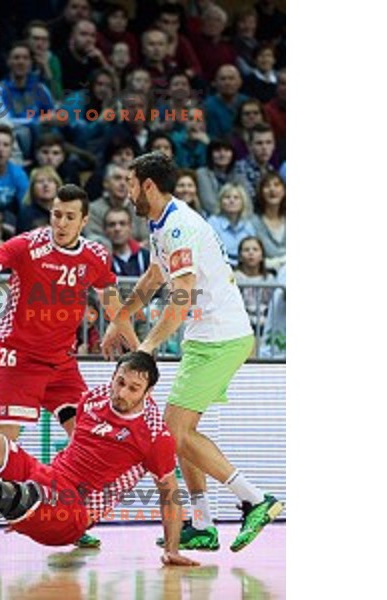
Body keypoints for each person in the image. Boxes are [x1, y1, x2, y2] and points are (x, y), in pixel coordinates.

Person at [0, 184, 139, 549]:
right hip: (17, 361)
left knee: (88, 439)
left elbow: (113, 302)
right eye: (57, 214)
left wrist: (138, 350)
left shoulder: (96, 255)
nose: (62, 222)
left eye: (70, 217)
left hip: (61, 363)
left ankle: (71, 516)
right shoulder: (29, 244)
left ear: (85, 220)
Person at [102, 152, 283, 553]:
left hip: (221, 336)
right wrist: (121, 317)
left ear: (148, 185)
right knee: (178, 434)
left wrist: (146, 347)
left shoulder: (179, 226)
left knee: (175, 432)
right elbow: (154, 277)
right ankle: (201, 524)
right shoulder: (161, 221)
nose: (126, 190)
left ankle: (256, 500)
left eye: (131, 183)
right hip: (206, 337)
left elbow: (180, 299)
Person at [0, 352, 199, 568]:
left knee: (22, 495)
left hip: (73, 510)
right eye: (119, 382)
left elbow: (168, 491)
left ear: (147, 393)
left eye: (133, 389)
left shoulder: (154, 434)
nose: (121, 392)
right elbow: (80, 444)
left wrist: (172, 549)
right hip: (49, 474)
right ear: (113, 375)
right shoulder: (93, 398)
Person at [83, 164, 148, 246]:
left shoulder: (140, 208)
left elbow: (148, 239)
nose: (123, 183)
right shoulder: (92, 210)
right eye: (117, 178)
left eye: (127, 180)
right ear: (105, 183)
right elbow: (96, 243)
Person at [0, 42, 55, 127]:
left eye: (25, 58)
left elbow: (51, 115)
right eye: (16, 58)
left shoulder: (40, 88)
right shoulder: (0, 90)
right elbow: (5, 121)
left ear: (31, 63)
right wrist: (37, 121)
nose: (21, 62)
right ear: (8, 62)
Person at [234, 236, 276, 341]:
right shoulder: (234, 278)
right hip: (241, 327)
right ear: (240, 256)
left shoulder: (270, 279)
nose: (251, 253)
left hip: (266, 325)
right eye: (246, 250)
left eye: (255, 249)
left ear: (262, 256)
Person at [206, 183, 256, 267]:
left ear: (243, 202)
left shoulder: (248, 224)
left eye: (236, 198)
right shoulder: (213, 222)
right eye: (227, 197)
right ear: (220, 202)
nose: (231, 201)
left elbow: (254, 250)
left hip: (245, 268)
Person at [58, 19, 110, 92]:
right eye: (83, 34)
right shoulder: (60, 58)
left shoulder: (95, 58)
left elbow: (112, 88)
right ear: (72, 37)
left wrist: (103, 62)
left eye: (93, 35)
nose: (89, 39)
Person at [196, 138, 244, 215]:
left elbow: (246, 202)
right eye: (217, 150)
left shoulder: (239, 174)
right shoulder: (202, 173)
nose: (222, 154)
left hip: (237, 218)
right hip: (211, 218)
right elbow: (209, 204)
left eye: (227, 150)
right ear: (210, 154)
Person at [250, 172, 286, 271]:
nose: (272, 190)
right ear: (260, 192)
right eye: (267, 186)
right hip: (264, 276)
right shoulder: (252, 222)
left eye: (277, 185)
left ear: (285, 191)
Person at [234, 123, 277, 204]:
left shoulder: (272, 170)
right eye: (259, 143)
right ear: (250, 146)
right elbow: (248, 201)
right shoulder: (240, 169)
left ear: (273, 145)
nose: (264, 147)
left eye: (268, 142)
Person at [202, 64, 248, 140]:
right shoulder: (206, 106)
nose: (227, 82)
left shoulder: (248, 103)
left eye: (231, 78)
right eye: (223, 79)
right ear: (215, 83)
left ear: (240, 82)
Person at [104, 207, 150, 278]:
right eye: (112, 224)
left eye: (122, 224)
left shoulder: (147, 257)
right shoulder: (102, 261)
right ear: (105, 230)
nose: (117, 229)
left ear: (131, 227)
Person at [26, 20, 63, 101]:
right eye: (36, 39)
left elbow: (57, 95)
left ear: (49, 43)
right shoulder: (20, 56)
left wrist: (46, 67)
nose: (40, 43)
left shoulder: (53, 60)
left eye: (44, 40)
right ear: (27, 40)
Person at [17, 166, 62, 233]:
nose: (46, 185)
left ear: (57, 186)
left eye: (50, 181)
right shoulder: (26, 214)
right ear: (32, 188)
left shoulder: (66, 211)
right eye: (40, 181)